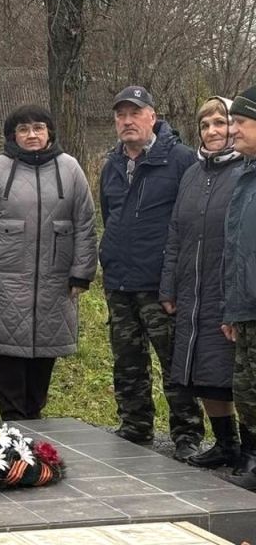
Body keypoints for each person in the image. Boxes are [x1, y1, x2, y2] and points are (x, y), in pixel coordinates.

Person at [0, 105, 97, 421]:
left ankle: (34, 414)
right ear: (13, 135)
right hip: (6, 280)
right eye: (23, 129)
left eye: (38, 127)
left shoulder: (70, 169)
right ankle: (13, 418)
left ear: (49, 132)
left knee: (46, 350)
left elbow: (85, 222)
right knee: (9, 349)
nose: (32, 135)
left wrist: (81, 273)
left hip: (56, 279)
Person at [99, 85, 204, 460]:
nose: (127, 121)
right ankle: (135, 424)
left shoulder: (180, 160)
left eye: (135, 114)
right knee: (127, 361)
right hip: (119, 281)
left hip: (161, 284)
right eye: (121, 115)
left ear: (152, 117)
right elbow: (109, 216)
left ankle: (187, 433)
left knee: (174, 362)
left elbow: (190, 222)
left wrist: (175, 279)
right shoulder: (111, 164)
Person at [159, 97, 245, 469]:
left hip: (230, 289)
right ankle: (225, 443)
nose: (212, 131)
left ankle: (250, 450)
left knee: (237, 377)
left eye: (221, 123)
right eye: (206, 124)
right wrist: (168, 285)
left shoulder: (246, 170)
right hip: (192, 290)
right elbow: (177, 232)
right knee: (204, 375)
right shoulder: (193, 174)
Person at [224, 87, 256, 489]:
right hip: (246, 305)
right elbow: (236, 247)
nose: (233, 131)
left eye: (242, 123)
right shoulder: (245, 175)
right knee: (248, 389)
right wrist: (232, 307)